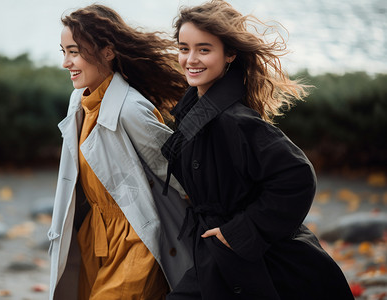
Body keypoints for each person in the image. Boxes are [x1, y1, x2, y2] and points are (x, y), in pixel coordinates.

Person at [161, 1, 354, 299]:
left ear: (230, 54)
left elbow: (298, 176)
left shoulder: (233, 120)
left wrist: (238, 232)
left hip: (265, 263)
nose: (190, 59)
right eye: (184, 48)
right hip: (220, 257)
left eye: (203, 49)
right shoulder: (196, 111)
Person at [48, 4, 193, 300]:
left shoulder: (131, 110)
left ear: (108, 51)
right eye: (63, 51)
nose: (66, 62)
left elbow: (180, 177)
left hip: (136, 242)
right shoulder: (80, 103)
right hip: (93, 241)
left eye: (74, 51)